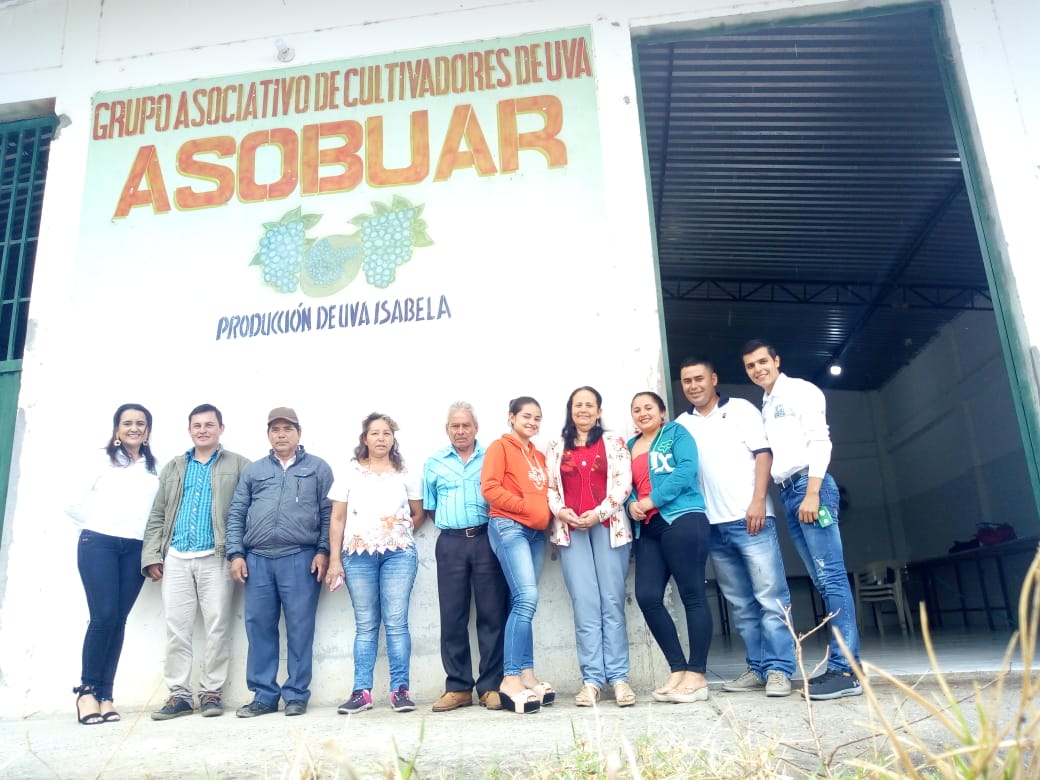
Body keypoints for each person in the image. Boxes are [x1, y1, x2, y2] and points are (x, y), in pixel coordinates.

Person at [741, 339, 862, 700]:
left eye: (763, 361)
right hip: (790, 491)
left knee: (833, 578)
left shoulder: (799, 391)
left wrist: (812, 492)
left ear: (777, 360)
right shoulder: (768, 402)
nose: (758, 369)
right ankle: (842, 665)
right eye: (750, 366)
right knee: (823, 580)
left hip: (811, 488)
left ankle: (847, 670)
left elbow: (820, 442)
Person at [675, 358, 796, 697]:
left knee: (771, 598)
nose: (694, 385)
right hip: (710, 526)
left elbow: (763, 454)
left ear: (713, 379)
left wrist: (759, 500)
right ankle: (757, 668)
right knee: (741, 604)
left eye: (699, 378)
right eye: (687, 381)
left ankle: (779, 670)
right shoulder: (681, 424)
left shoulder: (741, 409)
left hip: (750, 518)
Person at [141, 404, 251, 719]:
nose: (203, 430)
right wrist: (152, 555)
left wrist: (239, 553)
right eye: (197, 425)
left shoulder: (240, 465)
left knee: (218, 626)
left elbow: (249, 511)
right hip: (176, 556)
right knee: (177, 628)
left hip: (216, 557)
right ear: (190, 430)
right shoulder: (175, 467)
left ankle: (211, 693)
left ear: (221, 429)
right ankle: (179, 695)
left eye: (209, 425)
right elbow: (159, 513)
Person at [225, 407, 333, 717]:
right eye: (275, 429)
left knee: (300, 627)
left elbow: (329, 514)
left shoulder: (318, 468)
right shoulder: (254, 471)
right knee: (259, 627)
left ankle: (297, 694)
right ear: (268, 434)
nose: (281, 434)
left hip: (300, 558)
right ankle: (264, 695)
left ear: (299, 433)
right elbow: (236, 513)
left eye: (287, 428)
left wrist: (323, 551)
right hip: (257, 559)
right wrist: (236, 554)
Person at [325, 413, 425, 714]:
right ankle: (362, 692)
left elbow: (418, 513)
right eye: (375, 433)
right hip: (357, 556)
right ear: (364, 438)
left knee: (396, 623)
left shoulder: (405, 472)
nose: (381, 438)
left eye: (386, 433)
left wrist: (398, 533)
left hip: (399, 554)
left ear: (393, 439)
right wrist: (334, 561)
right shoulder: (349, 473)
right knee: (366, 624)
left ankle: (400, 690)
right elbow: (337, 518)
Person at [67, 403, 160, 725]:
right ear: (117, 429)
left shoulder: (152, 468)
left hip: (135, 549)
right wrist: (100, 525)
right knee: (103, 617)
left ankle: (106, 695)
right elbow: (71, 502)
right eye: (127, 423)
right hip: (99, 544)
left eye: (140, 423)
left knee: (118, 620)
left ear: (148, 430)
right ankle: (86, 691)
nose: (134, 428)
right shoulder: (100, 459)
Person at [546, 386, 635, 707]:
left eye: (589, 405)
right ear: (570, 410)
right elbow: (551, 488)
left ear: (598, 411)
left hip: (608, 527)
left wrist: (599, 513)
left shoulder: (613, 442)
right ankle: (592, 681)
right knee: (585, 604)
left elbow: (624, 483)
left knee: (611, 602)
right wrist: (561, 511)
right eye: (577, 405)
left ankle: (620, 679)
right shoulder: (556, 446)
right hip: (571, 531)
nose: (583, 410)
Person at [626, 391, 712, 704]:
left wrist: (652, 500)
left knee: (692, 594)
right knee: (647, 596)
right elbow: (624, 485)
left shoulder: (676, 433)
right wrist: (633, 503)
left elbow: (686, 469)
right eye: (636, 410)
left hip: (683, 518)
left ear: (662, 411)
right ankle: (678, 668)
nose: (642, 413)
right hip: (648, 527)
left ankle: (698, 674)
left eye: (648, 407)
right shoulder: (631, 445)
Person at [423, 402, 509, 713]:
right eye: (454, 426)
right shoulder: (434, 463)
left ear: (475, 428)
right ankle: (458, 686)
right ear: (447, 429)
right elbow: (430, 508)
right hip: (450, 543)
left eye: (466, 425)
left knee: (491, 614)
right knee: (453, 615)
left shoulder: (492, 457)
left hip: (487, 538)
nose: (461, 431)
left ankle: (490, 686)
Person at [480, 396, 553, 715]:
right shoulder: (500, 447)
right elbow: (490, 488)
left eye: (537, 418)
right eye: (526, 416)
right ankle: (509, 680)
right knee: (526, 597)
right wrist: (528, 509)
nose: (533, 422)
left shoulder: (537, 454)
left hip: (537, 534)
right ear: (511, 417)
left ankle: (527, 674)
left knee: (521, 601)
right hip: (509, 526)